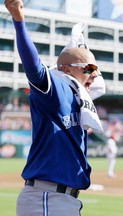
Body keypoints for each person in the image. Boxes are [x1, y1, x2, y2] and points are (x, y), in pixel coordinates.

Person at [5, 1, 105, 215]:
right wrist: (19, 21)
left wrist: (81, 49)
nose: (95, 74)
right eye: (90, 68)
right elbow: (33, 67)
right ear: (67, 70)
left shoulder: (80, 98)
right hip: (47, 197)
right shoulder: (56, 88)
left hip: (61, 198)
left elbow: (96, 83)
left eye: (96, 69)